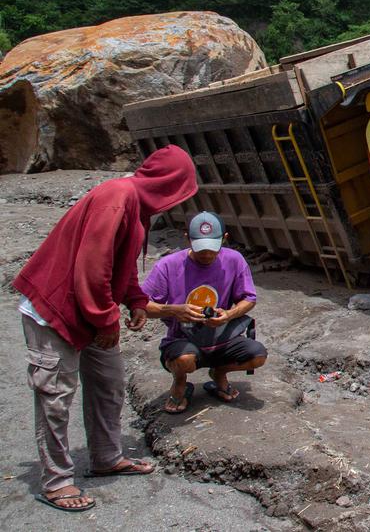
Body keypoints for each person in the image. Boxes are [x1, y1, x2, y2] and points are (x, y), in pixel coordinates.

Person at [14, 145, 198, 512]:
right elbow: (91, 267)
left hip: (90, 309)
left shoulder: (138, 208)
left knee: (109, 384)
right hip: (55, 310)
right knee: (56, 397)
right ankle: (57, 482)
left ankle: (106, 456)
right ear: (169, 184)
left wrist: (137, 301)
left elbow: (123, 264)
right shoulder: (118, 197)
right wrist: (106, 319)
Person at [143, 211, 267, 414]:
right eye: (201, 249)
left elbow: (249, 298)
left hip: (221, 337)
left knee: (258, 355)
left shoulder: (234, 260)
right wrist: (174, 310)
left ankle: (219, 372)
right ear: (187, 239)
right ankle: (180, 380)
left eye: (213, 249)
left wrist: (229, 314)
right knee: (184, 360)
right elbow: (142, 306)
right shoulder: (168, 265)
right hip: (182, 338)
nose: (207, 255)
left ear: (224, 239)